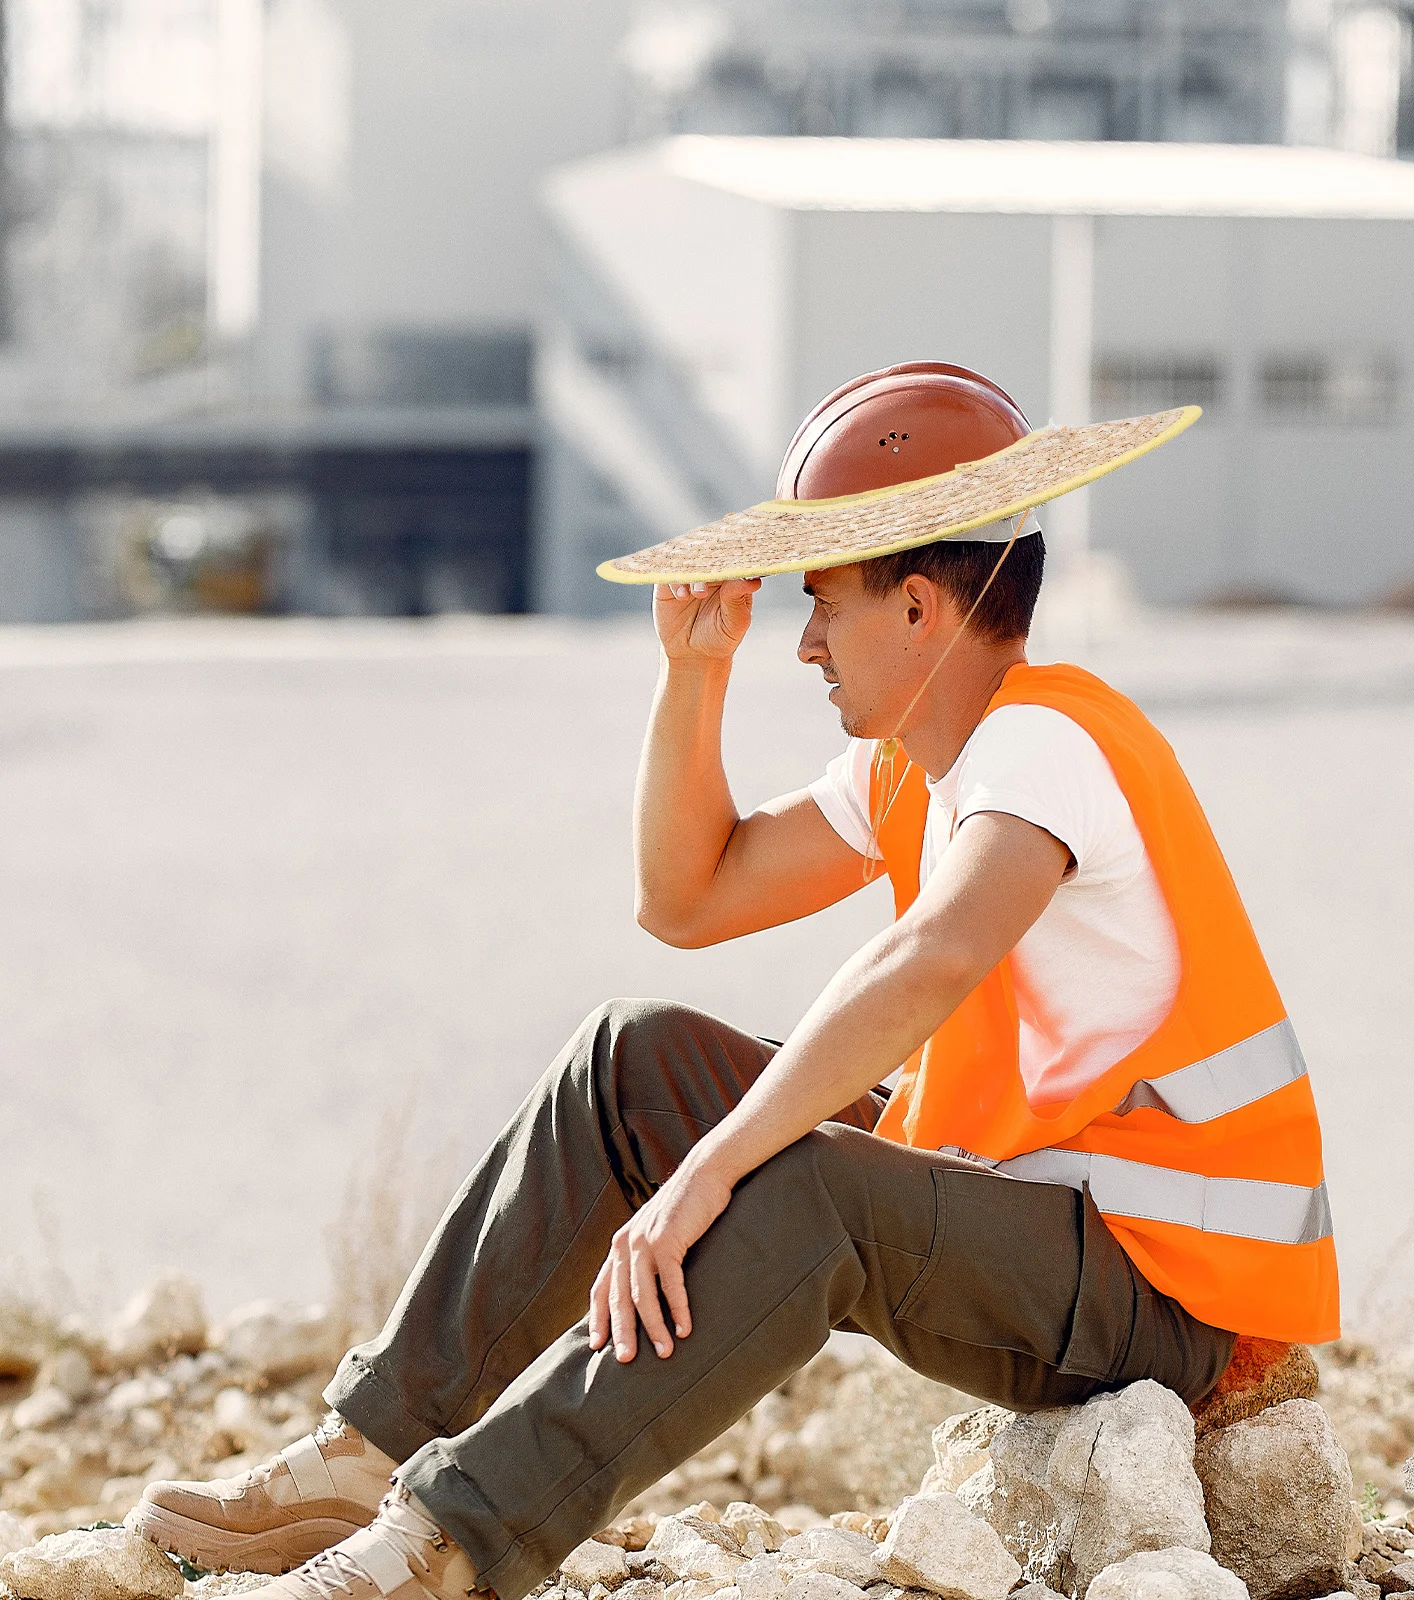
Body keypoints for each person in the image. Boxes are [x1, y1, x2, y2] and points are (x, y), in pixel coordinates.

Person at [132, 363, 1338, 1600]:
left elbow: (929, 958)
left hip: (1168, 1295)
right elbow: (686, 899)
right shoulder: (918, 771)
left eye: (824, 604)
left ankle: (447, 1544)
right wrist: (692, 670)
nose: (805, 641)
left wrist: (705, 1175)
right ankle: (363, 1449)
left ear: (920, 608)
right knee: (630, 1056)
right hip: (1031, 1214)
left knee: (803, 1178)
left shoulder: (1047, 737)